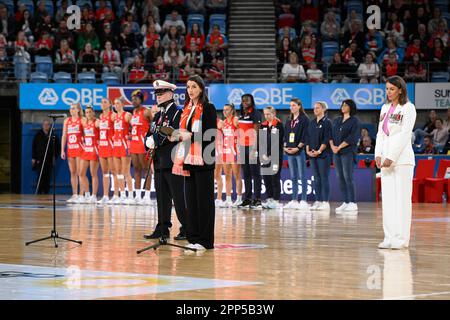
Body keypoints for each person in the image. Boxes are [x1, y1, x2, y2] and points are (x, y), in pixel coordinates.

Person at [171, 75, 217, 251]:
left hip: (203, 161)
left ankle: (205, 241)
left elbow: (210, 135)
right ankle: (194, 238)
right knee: (191, 201)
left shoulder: (208, 108)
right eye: (188, 87)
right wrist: (175, 134)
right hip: (188, 160)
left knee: (204, 202)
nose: (190, 90)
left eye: (194, 87)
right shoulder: (186, 109)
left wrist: (191, 136)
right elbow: (184, 131)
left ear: (201, 89)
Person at [376, 75, 416, 250]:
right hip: (384, 161)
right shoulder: (384, 108)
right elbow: (380, 133)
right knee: (388, 201)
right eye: (387, 89)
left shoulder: (408, 108)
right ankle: (389, 237)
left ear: (400, 90)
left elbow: (404, 134)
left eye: (392, 89)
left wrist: (391, 156)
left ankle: (401, 239)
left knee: (401, 201)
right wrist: (378, 154)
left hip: (401, 161)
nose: (389, 92)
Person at [143, 80, 187, 241]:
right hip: (159, 161)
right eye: (157, 94)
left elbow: (175, 133)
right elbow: (150, 132)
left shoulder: (177, 113)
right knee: (161, 197)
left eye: (161, 94)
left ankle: (187, 227)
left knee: (178, 197)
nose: (158, 97)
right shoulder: (157, 115)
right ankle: (162, 228)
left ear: (171, 94)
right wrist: (148, 141)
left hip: (173, 160)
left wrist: (156, 139)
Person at [330, 99, 360, 213]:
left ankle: (353, 202)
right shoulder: (337, 120)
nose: (343, 107)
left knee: (348, 177)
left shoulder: (355, 121)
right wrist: (333, 146)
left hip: (347, 152)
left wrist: (340, 146)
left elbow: (353, 137)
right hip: (336, 152)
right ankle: (346, 202)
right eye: (342, 105)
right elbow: (331, 134)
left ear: (351, 107)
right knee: (340, 177)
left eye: (345, 105)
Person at [237, 94, 263, 209]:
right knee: (246, 174)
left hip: (252, 147)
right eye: (243, 101)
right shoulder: (242, 114)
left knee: (255, 174)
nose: (245, 103)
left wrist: (254, 148)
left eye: (247, 101)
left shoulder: (256, 113)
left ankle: (257, 200)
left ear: (251, 101)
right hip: (242, 147)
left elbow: (257, 133)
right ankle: (247, 199)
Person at [283, 98, 309, 210]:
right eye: (290, 105)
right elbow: (286, 134)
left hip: (299, 150)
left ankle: (303, 200)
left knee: (302, 176)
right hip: (289, 151)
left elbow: (305, 134)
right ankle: (294, 200)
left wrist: (298, 147)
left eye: (294, 105)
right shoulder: (289, 119)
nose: (291, 107)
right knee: (293, 176)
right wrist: (285, 146)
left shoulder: (304, 119)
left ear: (299, 106)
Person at [306, 101, 332, 211]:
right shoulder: (312, 123)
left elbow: (327, 138)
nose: (315, 110)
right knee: (316, 178)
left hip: (323, 155)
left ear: (323, 109)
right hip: (312, 154)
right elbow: (308, 137)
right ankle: (318, 200)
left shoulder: (327, 122)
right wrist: (307, 150)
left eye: (318, 108)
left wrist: (320, 150)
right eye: (314, 108)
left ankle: (325, 202)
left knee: (323, 178)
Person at [129, 90, 153, 205]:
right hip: (133, 144)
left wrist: (151, 140)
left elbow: (154, 125)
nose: (133, 100)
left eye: (136, 98)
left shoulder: (146, 111)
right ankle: (137, 195)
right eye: (132, 98)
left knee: (146, 170)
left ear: (141, 99)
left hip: (143, 144)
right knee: (136, 170)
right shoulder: (133, 112)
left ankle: (147, 196)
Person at [217, 103, 242, 207]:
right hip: (225, 151)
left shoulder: (235, 120)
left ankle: (239, 198)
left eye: (227, 109)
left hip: (235, 151)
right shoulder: (223, 123)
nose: (225, 111)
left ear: (232, 110)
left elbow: (243, 132)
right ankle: (228, 199)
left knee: (237, 175)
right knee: (227, 176)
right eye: (223, 110)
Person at [260, 106, 284, 209]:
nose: (266, 116)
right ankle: (269, 198)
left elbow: (278, 141)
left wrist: (269, 153)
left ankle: (276, 200)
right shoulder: (263, 125)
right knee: (266, 178)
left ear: (274, 114)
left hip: (275, 155)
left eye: (268, 114)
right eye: (265, 114)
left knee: (275, 178)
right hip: (264, 157)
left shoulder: (279, 125)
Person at [112, 97, 134, 205]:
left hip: (125, 145)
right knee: (118, 172)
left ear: (122, 104)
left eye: (117, 103)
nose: (116, 105)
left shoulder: (127, 115)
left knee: (126, 172)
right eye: (114, 103)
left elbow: (136, 127)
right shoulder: (114, 117)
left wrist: (130, 136)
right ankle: (122, 194)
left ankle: (130, 195)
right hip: (116, 146)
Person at [96, 98, 118, 204]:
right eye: (101, 102)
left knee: (114, 171)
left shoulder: (113, 115)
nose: (102, 104)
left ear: (110, 104)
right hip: (102, 146)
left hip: (111, 146)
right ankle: (105, 195)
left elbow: (118, 128)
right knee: (104, 172)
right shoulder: (100, 116)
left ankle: (116, 195)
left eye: (105, 102)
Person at [61, 103, 85, 203]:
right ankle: (74, 194)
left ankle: (81, 195)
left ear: (78, 110)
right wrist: (62, 149)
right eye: (70, 108)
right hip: (70, 148)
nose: (71, 110)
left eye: (74, 108)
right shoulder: (67, 120)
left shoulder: (82, 120)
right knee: (73, 172)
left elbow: (87, 132)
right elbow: (64, 136)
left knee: (80, 172)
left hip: (80, 148)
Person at [32, 119, 60, 194]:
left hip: (49, 159)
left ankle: (46, 191)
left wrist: (54, 157)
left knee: (48, 176)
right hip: (40, 159)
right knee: (40, 175)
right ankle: (39, 191)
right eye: (44, 124)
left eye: (48, 124)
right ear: (42, 125)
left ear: (50, 126)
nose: (46, 126)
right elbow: (34, 146)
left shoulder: (53, 135)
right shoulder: (38, 135)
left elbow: (57, 147)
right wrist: (34, 158)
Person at [79, 105, 100, 203]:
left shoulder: (97, 122)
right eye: (86, 112)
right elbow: (79, 113)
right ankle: (87, 194)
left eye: (90, 112)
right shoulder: (84, 122)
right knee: (81, 173)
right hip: (86, 149)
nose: (88, 114)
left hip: (94, 149)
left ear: (93, 113)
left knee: (93, 173)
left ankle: (94, 196)